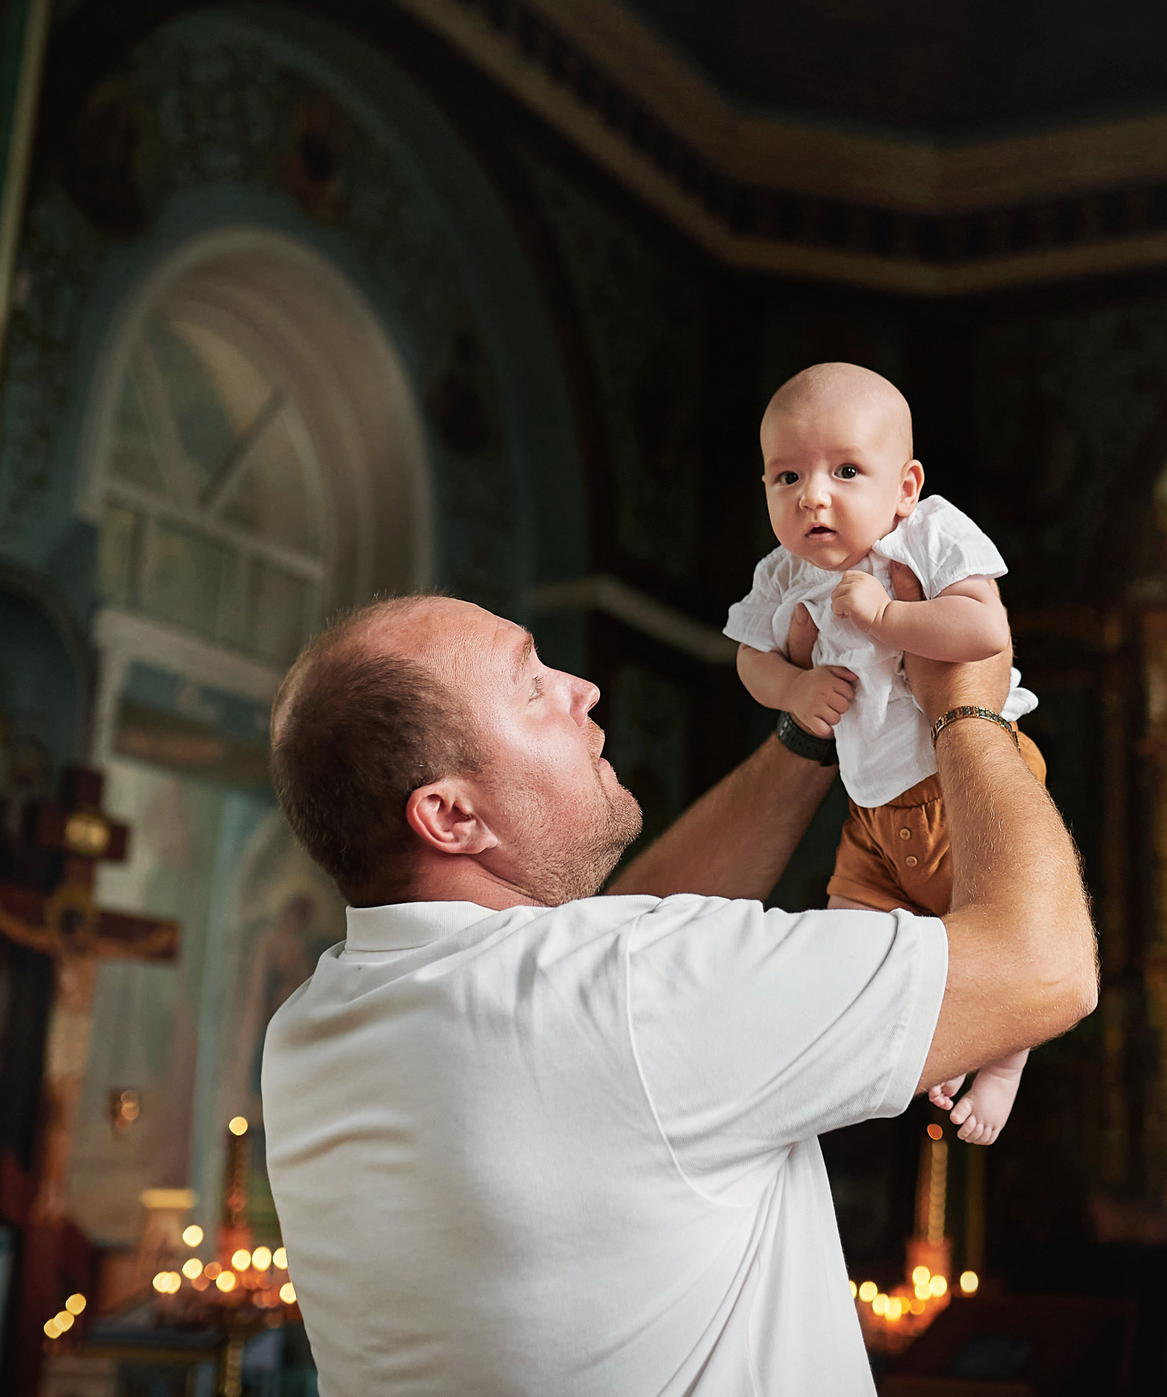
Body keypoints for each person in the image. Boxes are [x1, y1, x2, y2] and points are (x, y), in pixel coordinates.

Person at [260, 592, 1095, 1396]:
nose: (583, 688)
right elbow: (1046, 967)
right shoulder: (631, 988)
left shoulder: (307, 1031)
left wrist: (811, 730)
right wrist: (968, 707)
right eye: (532, 686)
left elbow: (605, 970)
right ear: (449, 816)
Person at [724, 362, 1040, 1144]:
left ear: (905, 486)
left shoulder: (928, 534)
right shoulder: (782, 573)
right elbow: (750, 658)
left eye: (845, 471)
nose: (812, 496)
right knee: (848, 944)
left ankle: (1003, 1062)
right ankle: (918, 1047)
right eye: (787, 476)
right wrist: (794, 689)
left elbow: (984, 630)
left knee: (1005, 935)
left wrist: (887, 618)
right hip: (873, 811)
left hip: (965, 790)